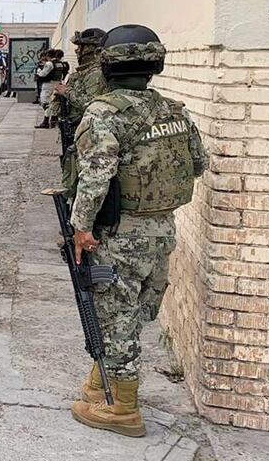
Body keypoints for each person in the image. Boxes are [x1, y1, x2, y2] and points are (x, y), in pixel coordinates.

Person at [69, 24, 207, 437]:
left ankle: (123, 409)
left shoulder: (105, 113)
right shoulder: (174, 112)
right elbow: (197, 164)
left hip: (120, 235)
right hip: (162, 230)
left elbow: (95, 179)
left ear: (108, 65)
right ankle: (101, 382)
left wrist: (80, 229)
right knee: (129, 315)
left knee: (115, 317)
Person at [51, 28, 107, 193]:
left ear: (90, 48)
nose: (77, 50)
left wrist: (66, 91)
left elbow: (92, 104)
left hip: (87, 135)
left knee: (81, 181)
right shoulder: (85, 72)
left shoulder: (96, 74)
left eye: (80, 46)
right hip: (76, 131)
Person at [34, 51, 55, 126]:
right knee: (53, 102)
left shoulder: (49, 63)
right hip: (56, 84)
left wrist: (39, 71)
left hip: (48, 84)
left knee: (45, 102)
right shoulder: (61, 63)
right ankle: (53, 118)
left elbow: (43, 74)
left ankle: (46, 121)